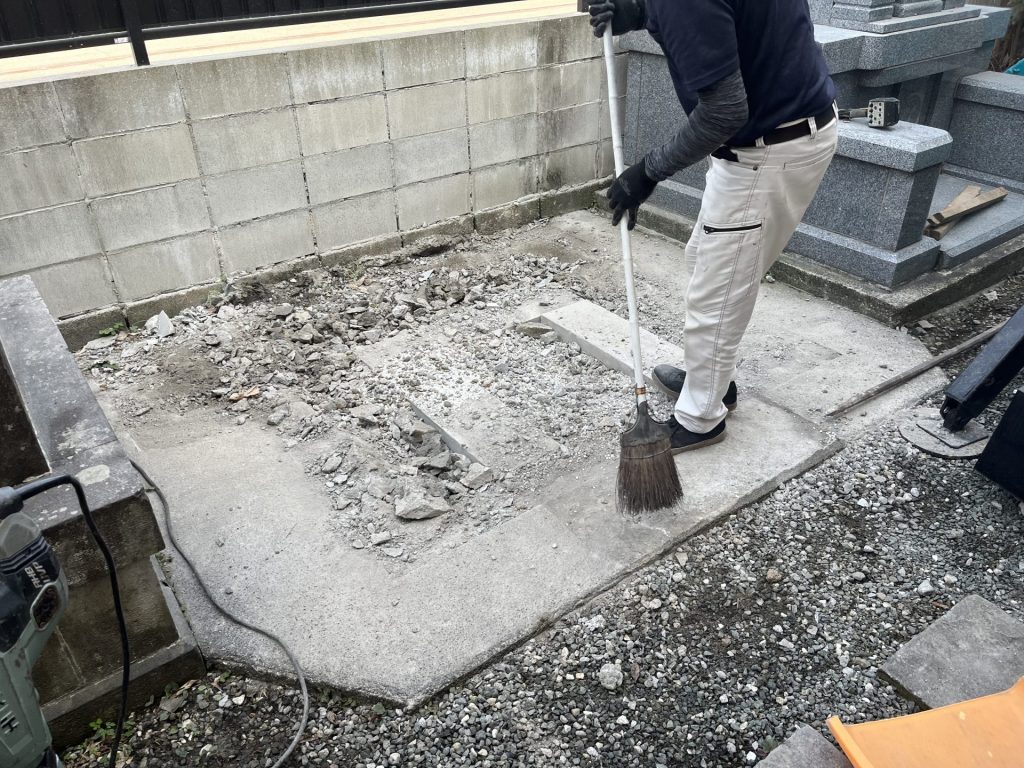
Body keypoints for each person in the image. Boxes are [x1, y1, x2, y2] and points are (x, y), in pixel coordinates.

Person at [589, 0, 838, 452]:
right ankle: (713, 381)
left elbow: (724, 111)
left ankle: (701, 417)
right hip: (770, 135)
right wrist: (639, 12)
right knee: (705, 261)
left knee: (717, 292)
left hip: (767, 150)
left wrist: (646, 174)